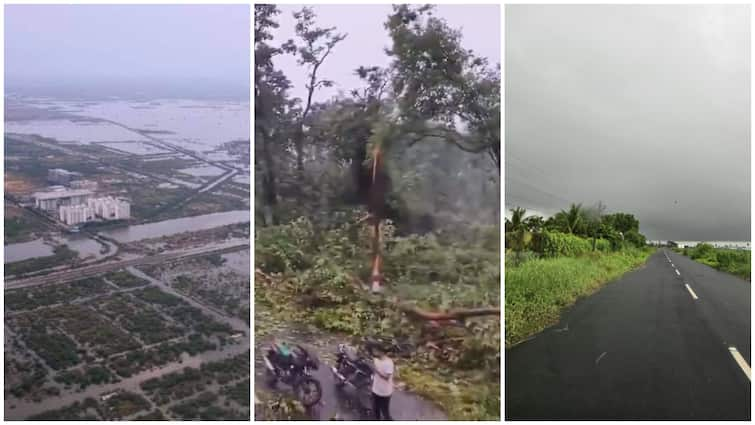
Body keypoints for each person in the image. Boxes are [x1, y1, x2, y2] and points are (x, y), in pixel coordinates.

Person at [371, 345, 395, 420]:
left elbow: (387, 377)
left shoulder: (389, 363)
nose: (374, 352)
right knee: (375, 409)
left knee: (385, 412)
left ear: (381, 352)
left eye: (376, 351)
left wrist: (376, 371)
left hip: (384, 393)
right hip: (375, 389)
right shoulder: (376, 359)